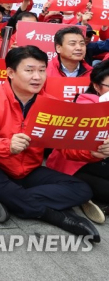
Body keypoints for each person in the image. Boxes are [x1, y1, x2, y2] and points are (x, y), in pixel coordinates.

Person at [0, 46, 107, 242]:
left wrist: (93, 153)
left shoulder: (51, 104)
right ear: (10, 72)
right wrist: (6, 145)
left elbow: (66, 146)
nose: (37, 76)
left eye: (42, 70)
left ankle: (7, 199)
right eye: (29, 70)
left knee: (82, 189)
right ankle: (59, 216)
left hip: (29, 169)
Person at [46, 60, 109, 224]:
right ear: (97, 86)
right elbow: (69, 149)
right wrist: (94, 151)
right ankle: (81, 197)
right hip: (78, 164)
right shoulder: (85, 105)